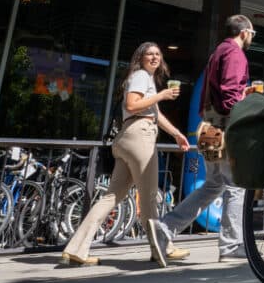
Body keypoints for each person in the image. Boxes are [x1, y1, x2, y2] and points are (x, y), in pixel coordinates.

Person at [62, 42, 190, 266]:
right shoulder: (141, 76)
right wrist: (161, 95)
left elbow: (154, 114)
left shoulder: (145, 79)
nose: (154, 57)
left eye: (157, 54)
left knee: (111, 196)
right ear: (140, 58)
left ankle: (76, 248)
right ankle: (163, 247)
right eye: (149, 54)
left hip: (128, 137)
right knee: (149, 196)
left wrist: (176, 133)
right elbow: (132, 105)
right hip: (139, 136)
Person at [148, 14, 258, 266]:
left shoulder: (217, 53)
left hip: (208, 126)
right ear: (244, 33)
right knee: (236, 185)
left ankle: (165, 229)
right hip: (225, 125)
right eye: (252, 34)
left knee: (212, 185)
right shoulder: (235, 54)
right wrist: (243, 110)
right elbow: (230, 94)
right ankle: (231, 246)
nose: (251, 38)